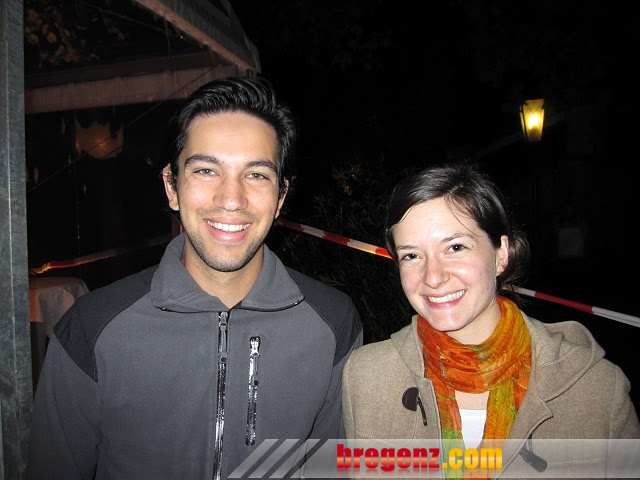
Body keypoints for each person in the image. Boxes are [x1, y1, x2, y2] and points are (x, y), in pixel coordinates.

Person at [28, 76, 363, 480]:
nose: (231, 199)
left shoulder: (333, 323)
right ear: (172, 187)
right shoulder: (91, 328)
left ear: (281, 197)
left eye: (257, 175)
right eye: (206, 170)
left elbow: (331, 470)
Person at [341, 162, 639, 477]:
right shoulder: (367, 379)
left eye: (455, 247)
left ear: (500, 254)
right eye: (411, 255)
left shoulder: (596, 390)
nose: (433, 277)